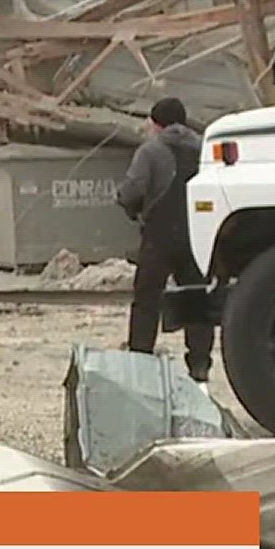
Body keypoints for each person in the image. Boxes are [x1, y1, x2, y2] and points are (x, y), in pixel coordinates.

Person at [116, 97, 212, 381]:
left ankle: (141, 359)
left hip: (158, 237)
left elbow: (133, 189)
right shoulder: (203, 148)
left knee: (147, 299)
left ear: (156, 124)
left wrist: (129, 207)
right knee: (196, 297)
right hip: (196, 235)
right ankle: (199, 364)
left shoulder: (151, 151)